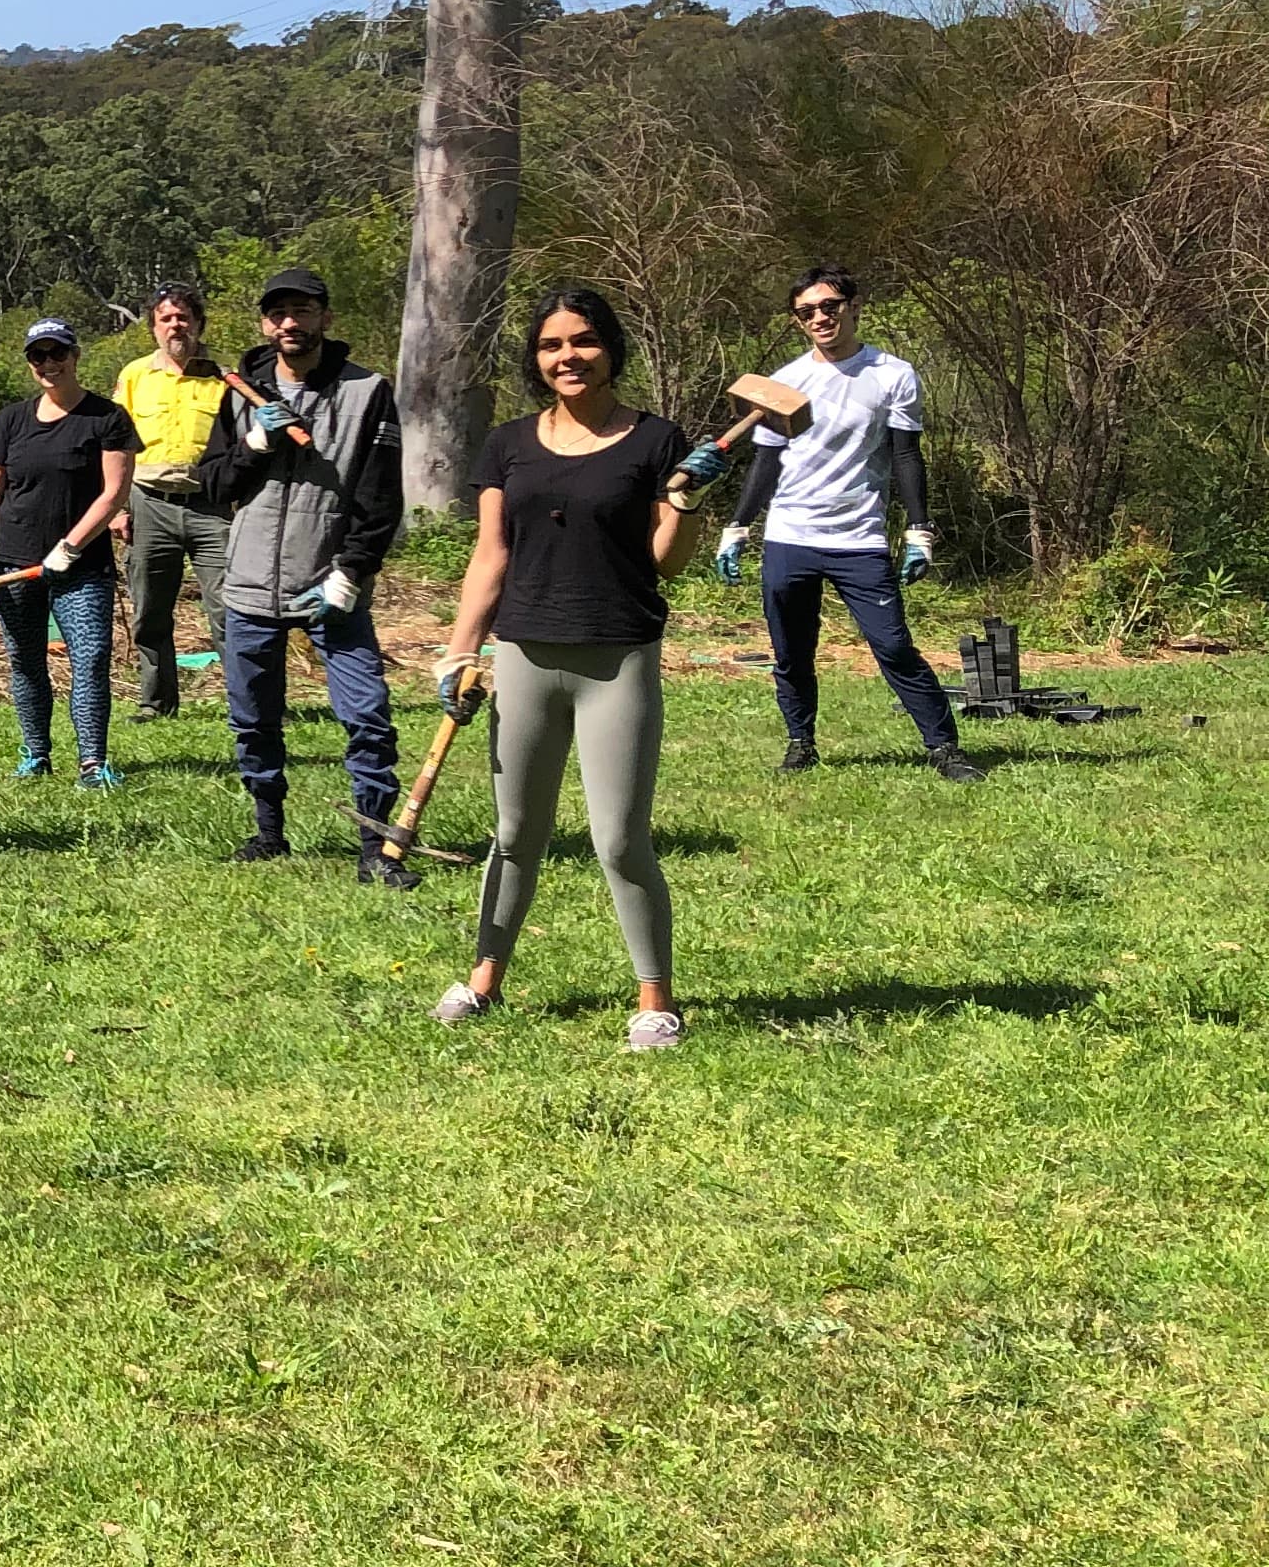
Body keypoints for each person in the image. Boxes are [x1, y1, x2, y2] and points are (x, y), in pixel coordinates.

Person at [427, 287, 730, 1052]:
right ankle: (485, 979)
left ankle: (655, 1000)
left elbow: (665, 562)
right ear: (536, 360)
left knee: (619, 839)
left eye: (584, 341)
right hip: (525, 655)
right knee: (514, 833)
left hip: (616, 657)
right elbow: (491, 554)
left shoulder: (656, 441)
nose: (568, 356)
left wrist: (685, 503)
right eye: (552, 345)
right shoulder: (508, 444)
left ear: (611, 349)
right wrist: (464, 648)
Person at [192, 266, 413, 886]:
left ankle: (374, 847)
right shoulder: (240, 393)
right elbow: (213, 485)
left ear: (325, 318)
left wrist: (352, 571)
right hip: (250, 585)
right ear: (266, 323)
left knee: (366, 715)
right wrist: (252, 448)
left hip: (329, 586)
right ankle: (269, 831)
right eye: (278, 313)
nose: (290, 323)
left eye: (303, 310)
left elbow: (380, 499)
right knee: (252, 717)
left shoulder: (368, 391)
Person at [719, 264, 982, 782]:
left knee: (893, 645)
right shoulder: (784, 383)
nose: (820, 317)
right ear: (798, 321)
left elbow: (907, 457)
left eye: (830, 306)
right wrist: (738, 527)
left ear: (854, 307)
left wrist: (919, 532)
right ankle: (801, 742)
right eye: (807, 312)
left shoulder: (892, 374)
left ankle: (944, 749)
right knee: (791, 650)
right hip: (790, 536)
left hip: (859, 537)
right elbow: (766, 461)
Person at [0, 317, 140, 786]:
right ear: (30, 364)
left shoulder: (107, 418)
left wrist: (70, 546)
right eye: (38, 356)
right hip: (13, 563)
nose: (48, 364)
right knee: (25, 660)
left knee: (91, 657)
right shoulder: (12, 420)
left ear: (75, 357)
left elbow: (114, 492)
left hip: (81, 568)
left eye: (57, 353)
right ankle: (36, 754)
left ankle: (92, 762)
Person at [113, 282, 232, 717]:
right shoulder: (134, 376)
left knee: (228, 609)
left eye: (183, 317)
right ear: (153, 328)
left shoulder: (224, 379)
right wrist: (117, 509)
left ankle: (245, 699)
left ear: (199, 324)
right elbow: (115, 448)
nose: (175, 325)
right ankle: (156, 702)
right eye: (166, 318)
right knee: (150, 611)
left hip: (211, 507)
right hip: (149, 503)